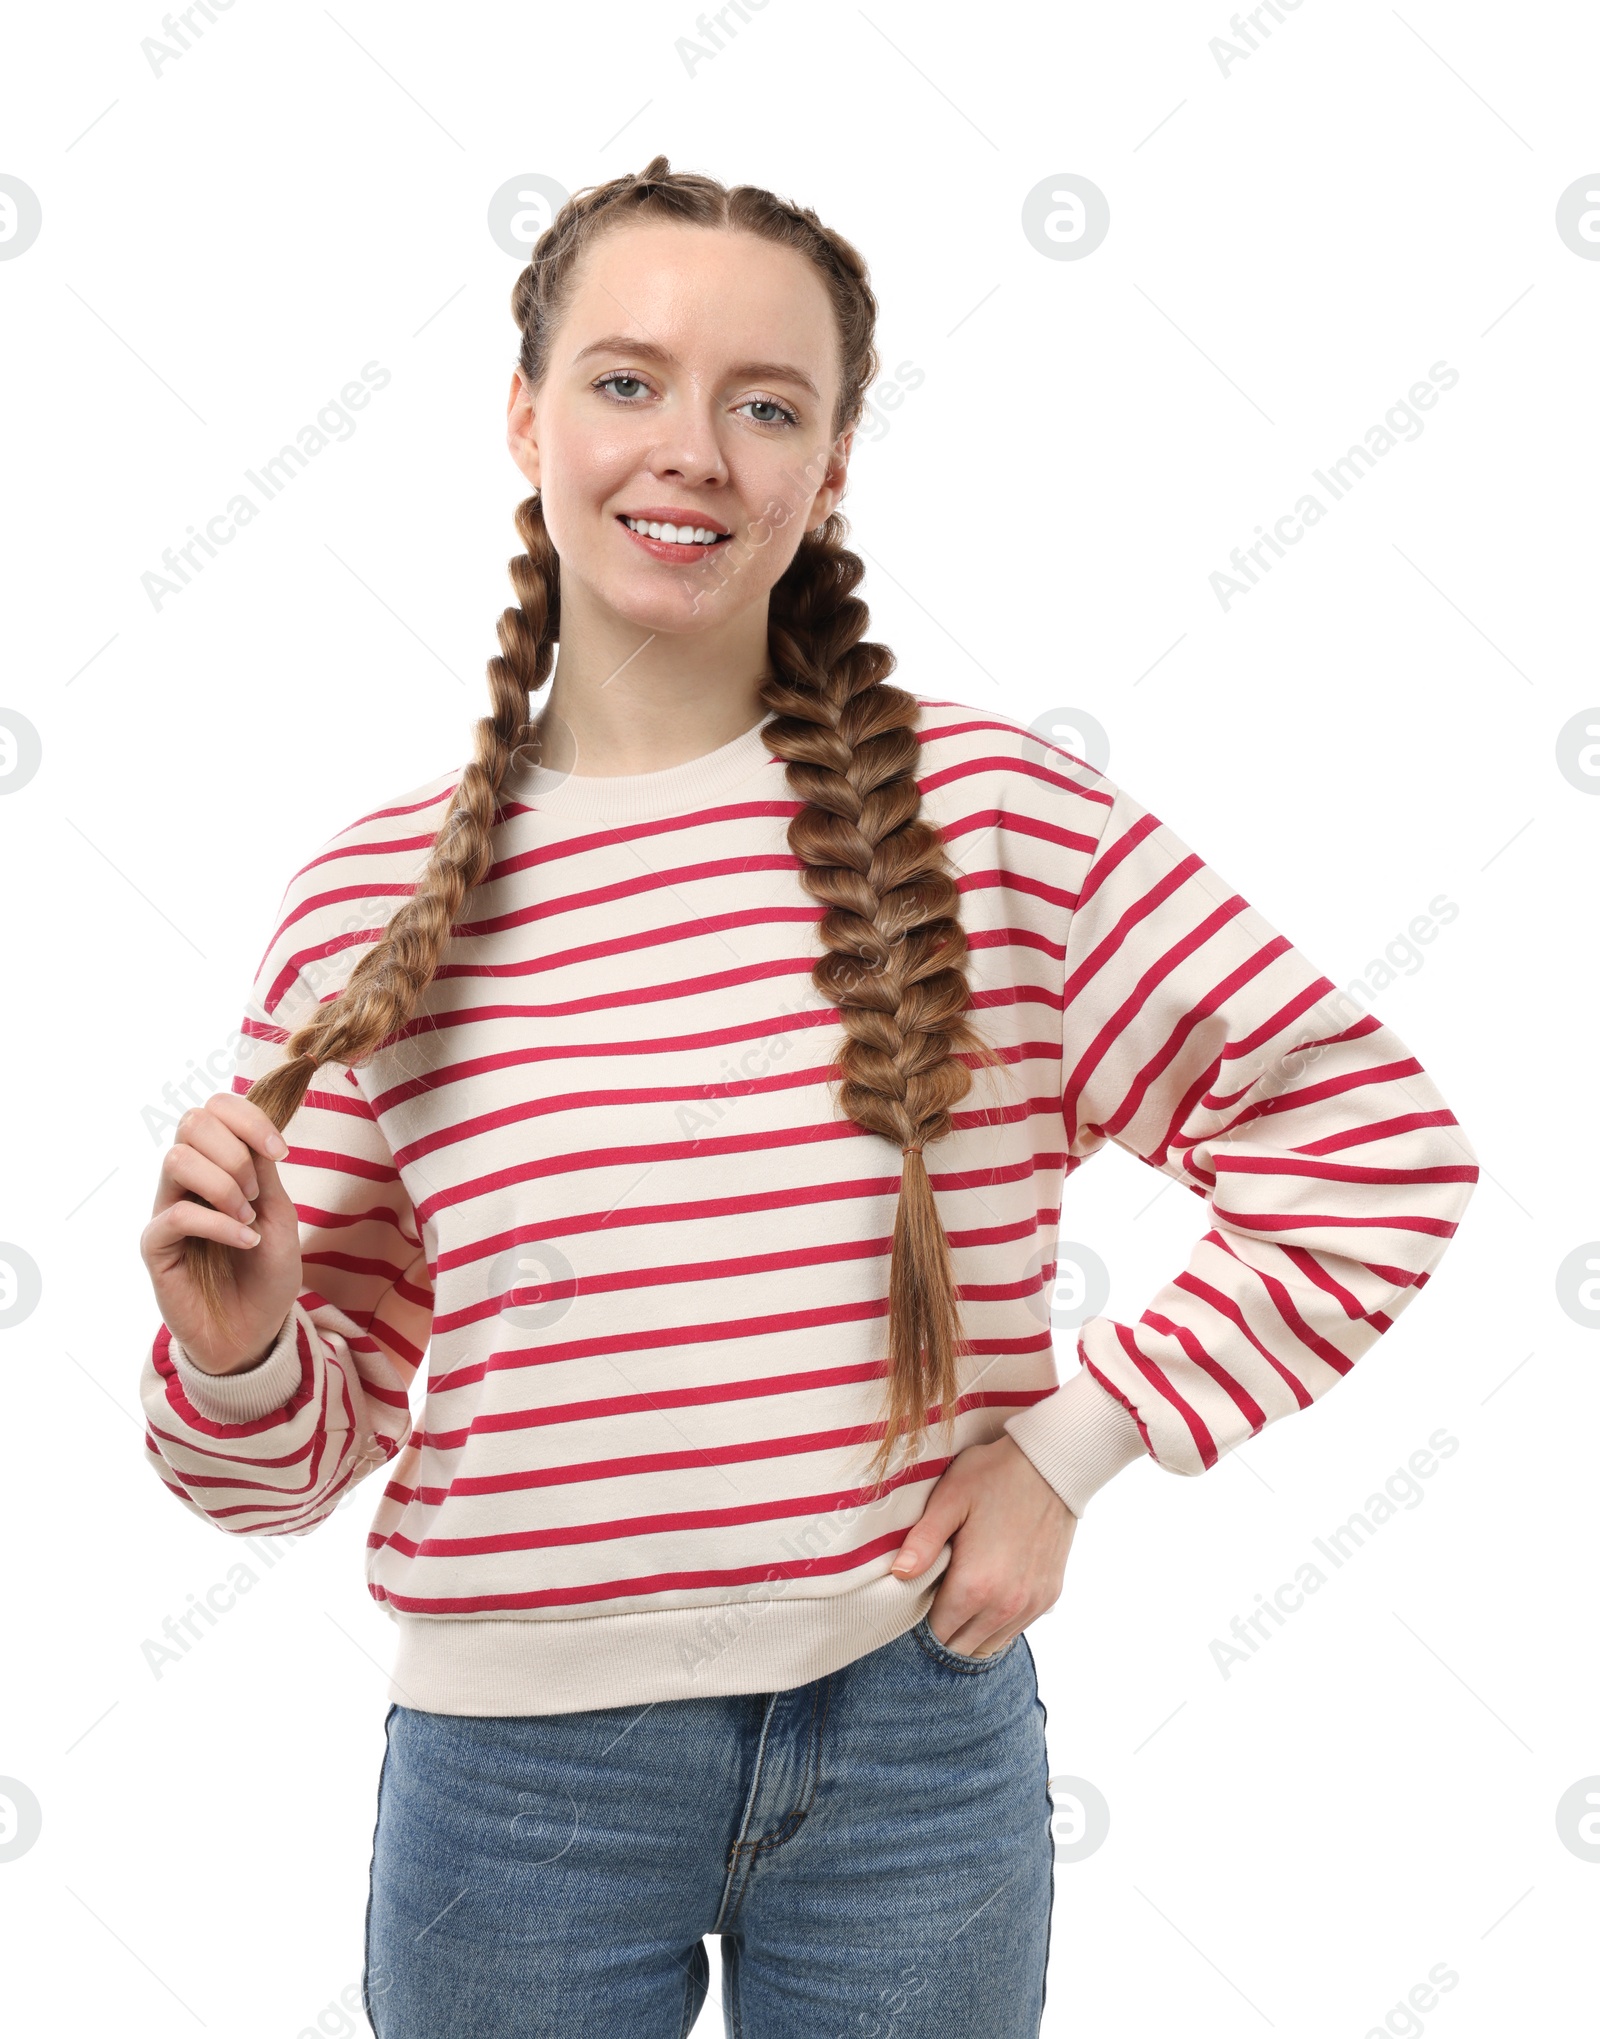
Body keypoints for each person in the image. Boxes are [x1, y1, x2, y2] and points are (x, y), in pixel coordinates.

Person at [137, 156, 1479, 2038]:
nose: (692, 447)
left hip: (912, 1740)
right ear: (524, 418)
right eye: (626, 381)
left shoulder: (993, 818)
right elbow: (264, 1473)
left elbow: (1374, 1146)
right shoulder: (373, 903)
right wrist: (244, 1339)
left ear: (829, 469)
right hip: (512, 1792)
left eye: (766, 405)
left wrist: (1075, 1452)